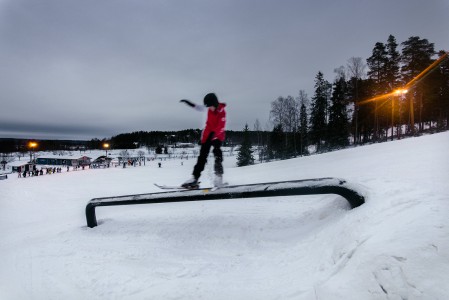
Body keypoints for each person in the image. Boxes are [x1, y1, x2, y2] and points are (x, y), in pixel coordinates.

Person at [180, 93, 226, 189]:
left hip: (217, 135)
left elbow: (221, 126)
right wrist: (189, 103)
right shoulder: (209, 108)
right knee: (202, 157)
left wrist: (215, 134)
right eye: (208, 106)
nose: (210, 108)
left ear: (215, 103)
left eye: (211, 106)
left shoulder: (222, 112)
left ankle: (218, 177)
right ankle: (194, 178)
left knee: (217, 153)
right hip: (207, 135)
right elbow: (198, 107)